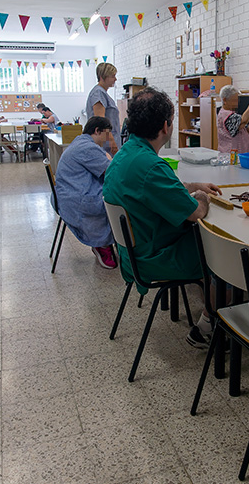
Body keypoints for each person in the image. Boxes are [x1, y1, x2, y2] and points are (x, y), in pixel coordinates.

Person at [103, 86, 222, 349]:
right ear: (167, 126)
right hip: (153, 257)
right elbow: (196, 212)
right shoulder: (151, 166)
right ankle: (207, 328)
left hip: (132, 253)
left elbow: (158, 189)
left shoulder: (126, 155)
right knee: (221, 254)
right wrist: (203, 197)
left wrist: (192, 186)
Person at [55, 116, 118, 269]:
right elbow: (112, 171)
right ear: (97, 131)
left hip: (69, 193)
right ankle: (102, 244)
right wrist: (109, 157)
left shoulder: (80, 142)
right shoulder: (87, 148)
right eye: (106, 134)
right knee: (117, 199)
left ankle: (108, 241)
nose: (107, 139)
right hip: (77, 199)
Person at [216, 85, 249, 155]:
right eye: (234, 100)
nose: (237, 103)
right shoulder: (226, 116)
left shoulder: (232, 115)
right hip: (231, 157)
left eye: (237, 100)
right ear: (225, 100)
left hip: (242, 157)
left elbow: (245, 129)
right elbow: (244, 120)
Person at [87, 63, 121, 155]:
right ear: (102, 77)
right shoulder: (98, 93)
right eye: (113, 76)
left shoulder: (103, 93)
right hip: (105, 143)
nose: (115, 79)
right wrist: (112, 141)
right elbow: (101, 121)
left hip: (108, 140)